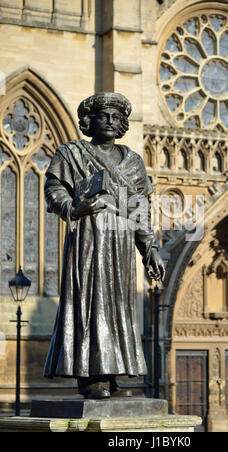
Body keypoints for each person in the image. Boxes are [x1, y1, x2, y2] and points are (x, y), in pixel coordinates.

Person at [43, 92, 165, 399]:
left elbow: (140, 208)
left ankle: (111, 375)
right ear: (89, 121)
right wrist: (74, 207)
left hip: (121, 243)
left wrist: (150, 248)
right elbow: (53, 189)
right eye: (102, 116)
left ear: (123, 123)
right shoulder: (71, 153)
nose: (109, 122)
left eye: (115, 117)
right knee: (90, 304)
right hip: (89, 239)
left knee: (117, 307)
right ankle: (90, 378)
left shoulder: (133, 162)